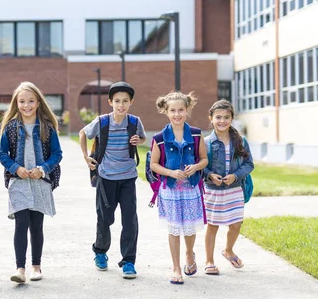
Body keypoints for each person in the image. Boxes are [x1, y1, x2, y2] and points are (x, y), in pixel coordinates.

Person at [0, 82, 63, 284]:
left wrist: (42, 168)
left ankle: (36, 267)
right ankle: (20, 268)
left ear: (38, 102)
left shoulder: (46, 127)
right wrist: (15, 167)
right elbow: (1, 153)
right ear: (16, 103)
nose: (26, 105)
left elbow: (57, 154)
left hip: (40, 182)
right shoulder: (11, 127)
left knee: (36, 225)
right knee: (21, 224)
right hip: (19, 183)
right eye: (22, 101)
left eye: (31, 101)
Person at [79, 81, 146, 279]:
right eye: (117, 101)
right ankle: (100, 251)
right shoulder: (102, 122)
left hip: (128, 178)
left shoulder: (134, 121)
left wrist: (138, 141)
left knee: (130, 220)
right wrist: (85, 156)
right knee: (105, 218)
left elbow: (142, 138)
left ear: (131, 102)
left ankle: (128, 261)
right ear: (110, 102)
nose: (121, 105)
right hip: (106, 177)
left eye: (125, 101)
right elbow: (83, 133)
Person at [149, 92, 208, 285]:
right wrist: (171, 173)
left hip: (191, 189)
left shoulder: (197, 134)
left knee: (190, 228)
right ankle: (175, 267)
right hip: (171, 190)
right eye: (172, 110)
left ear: (187, 110)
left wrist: (196, 167)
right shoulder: (159, 138)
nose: (177, 114)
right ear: (166, 112)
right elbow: (154, 165)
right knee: (174, 230)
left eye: (181, 110)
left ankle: (190, 254)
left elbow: (204, 159)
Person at [203, 99, 254, 275]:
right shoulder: (206, 142)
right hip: (212, 191)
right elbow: (200, 165)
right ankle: (209, 260)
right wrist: (209, 175)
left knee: (236, 224)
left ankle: (228, 250)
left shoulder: (240, 141)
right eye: (218, 117)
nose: (222, 121)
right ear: (211, 118)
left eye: (226, 117)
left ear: (232, 118)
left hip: (234, 189)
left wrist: (236, 175)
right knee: (212, 225)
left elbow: (249, 164)